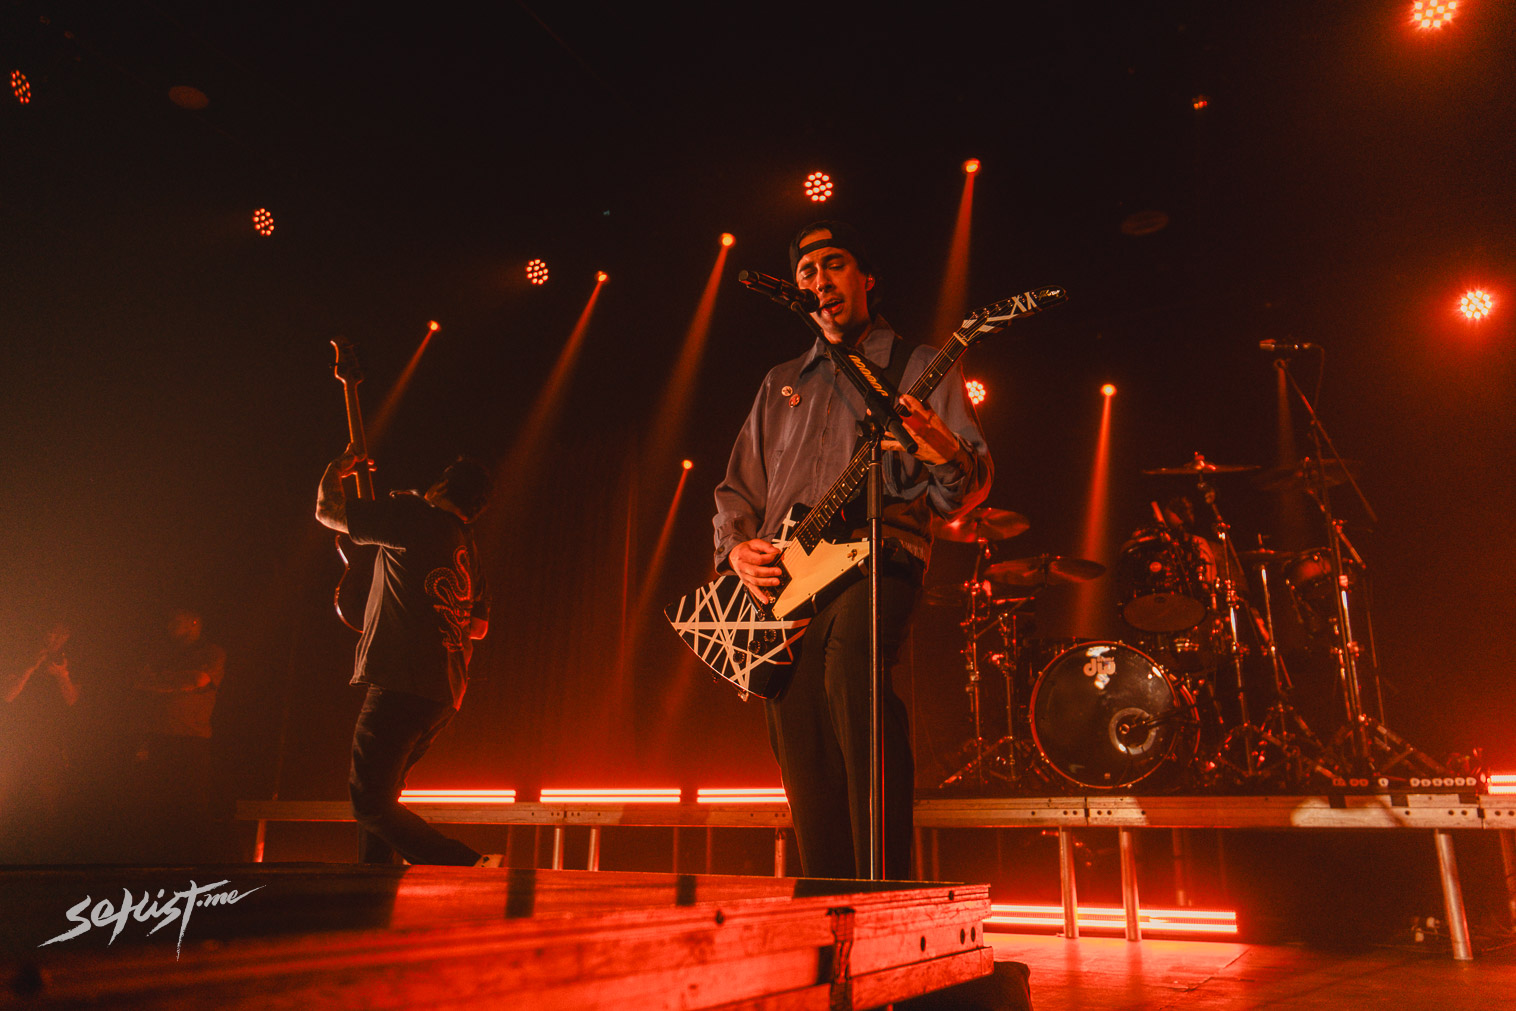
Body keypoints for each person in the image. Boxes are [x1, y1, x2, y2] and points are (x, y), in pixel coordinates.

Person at [713, 221, 992, 879]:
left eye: (834, 264)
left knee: (850, 669)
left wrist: (941, 449)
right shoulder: (781, 380)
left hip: (880, 551)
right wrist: (737, 549)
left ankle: (883, 885)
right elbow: (737, 488)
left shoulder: (918, 365)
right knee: (795, 717)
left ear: (866, 278)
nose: (820, 281)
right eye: (807, 272)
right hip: (790, 576)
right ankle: (826, 891)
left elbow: (968, 484)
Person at [316, 449, 494, 866]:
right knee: (384, 800)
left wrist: (336, 469)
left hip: (401, 681)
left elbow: (328, 512)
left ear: (442, 485)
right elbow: (478, 627)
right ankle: (372, 883)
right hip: (444, 692)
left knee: (369, 802)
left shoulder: (415, 517)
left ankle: (468, 865)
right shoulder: (467, 547)